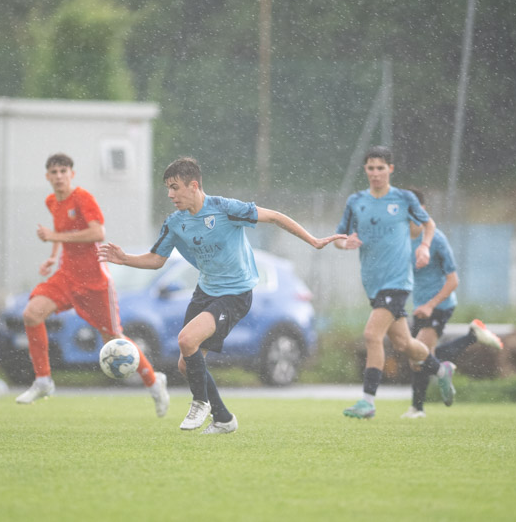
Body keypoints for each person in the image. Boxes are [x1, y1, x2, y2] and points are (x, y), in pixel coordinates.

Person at [98, 157, 344, 433]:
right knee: (186, 365)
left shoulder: (225, 209)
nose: (170, 195)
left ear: (194, 186)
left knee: (186, 340)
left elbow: (275, 217)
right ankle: (224, 418)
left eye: (175, 187)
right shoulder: (175, 223)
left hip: (236, 294)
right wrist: (125, 258)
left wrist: (314, 240)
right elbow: (157, 260)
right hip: (206, 291)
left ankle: (200, 402)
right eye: (167, 188)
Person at [15, 153, 170, 417]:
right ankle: (43, 380)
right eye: (54, 172)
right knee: (31, 314)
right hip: (66, 276)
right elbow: (60, 233)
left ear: (72, 174)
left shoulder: (83, 198)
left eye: (63, 171)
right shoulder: (52, 201)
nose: (59, 176)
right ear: (48, 177)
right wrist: (53, 256)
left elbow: (98, 232)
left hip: (94, 282)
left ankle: (154, 383)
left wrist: (55, 236)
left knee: (114, 339)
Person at [335, 145, 456, 419]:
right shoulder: (356, 201)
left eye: (380, 168)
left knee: (371, 335)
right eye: (371, 168)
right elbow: (339, 237)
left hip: (398, 281)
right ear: (365, 170)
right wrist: (345, 243)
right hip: (373, 283)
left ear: (390, 169)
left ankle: (367, 402)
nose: (375, 173)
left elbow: (429, 224)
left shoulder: (403, 199)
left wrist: (424, 247)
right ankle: (441, 370)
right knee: (403, 344)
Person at [401, 188, 503, 419]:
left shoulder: (436, 240)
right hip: (420, 305)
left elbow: (453, 281)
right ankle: (471, 337)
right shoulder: (402, 239)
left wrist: (430, 305)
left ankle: (418, 407)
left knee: (420, 353)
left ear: (422, 209)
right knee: (418, 357)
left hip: (440, 304)